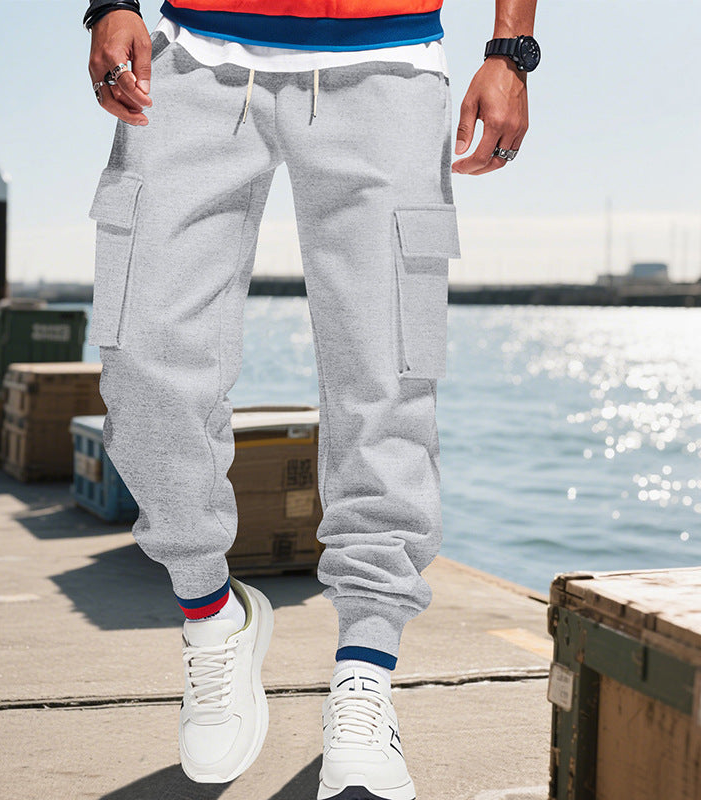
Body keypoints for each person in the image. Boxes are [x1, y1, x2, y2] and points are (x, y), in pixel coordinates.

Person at [84, 0, 539, 796]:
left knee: (387, 377)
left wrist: (511, 49)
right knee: (141, 353)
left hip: (390, 65)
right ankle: (211, 615)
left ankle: (365, 674)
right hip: (192, 58)